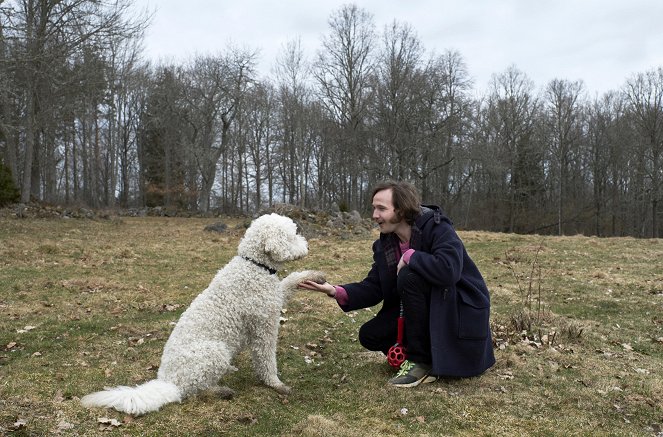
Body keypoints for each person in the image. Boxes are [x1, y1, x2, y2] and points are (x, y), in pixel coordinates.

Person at [299, 180, 495, 387]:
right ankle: (416, 352)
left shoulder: (438, 228)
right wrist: (335, 290)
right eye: (374, 208)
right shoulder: (387, 243)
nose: (374, 215)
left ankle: (421, 361)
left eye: (381, 208)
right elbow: (375, 286)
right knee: (370, 335)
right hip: (423, 307)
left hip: (455, 307)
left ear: (401, 211)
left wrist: (412, 255)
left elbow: (449, 270)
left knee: (410, 275)